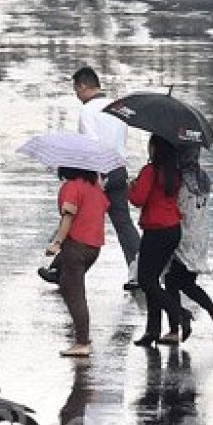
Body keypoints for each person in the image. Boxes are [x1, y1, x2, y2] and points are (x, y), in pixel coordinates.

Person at [39, 67, 139, 291]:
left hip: (98, 172)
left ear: (83, 86)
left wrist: (90, 177)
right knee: (124, 224)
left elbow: (91, 145)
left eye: (76, 90)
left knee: (75, 219)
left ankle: (60, 270)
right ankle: (139, 272)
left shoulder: (87, 111)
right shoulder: (117, 107)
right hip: (119, 169)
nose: (76, 95)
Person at [163, 146, 213, 340]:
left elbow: (178, 209)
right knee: (185, 283)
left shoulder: (180, 181)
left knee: (173, 282)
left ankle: (176, 327)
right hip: (199, 238)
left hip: (183, 237)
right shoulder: (203, 178)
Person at [129, 135, 190, 346]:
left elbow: (138, 199)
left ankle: (180, 313)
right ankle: (152, 331)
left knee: (146, 281)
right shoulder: (174, 172)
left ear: (155, 148)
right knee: (152, 280)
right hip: (172, 229)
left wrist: (132, 186)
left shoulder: (150, 171)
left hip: (155, 231)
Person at [45, 167, 109, 357]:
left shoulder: (72, 187)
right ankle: (82, 339)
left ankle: (82, 342)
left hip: (77, 246)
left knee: (75, 294)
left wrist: (57, 243)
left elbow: (68, 217)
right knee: (68, 285)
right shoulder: (94, 187)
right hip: (93, 247)